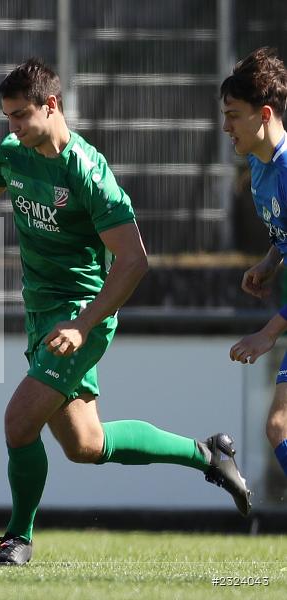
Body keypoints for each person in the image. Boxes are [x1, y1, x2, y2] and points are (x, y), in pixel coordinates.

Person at [0, 58, 251, 566]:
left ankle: (17, 538)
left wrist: (83, 323)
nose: (13, 127)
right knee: (86, 445)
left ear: (52, 105)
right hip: (42, 316)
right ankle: (208, 454)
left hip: (80, 317)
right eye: (7, 117)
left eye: (21, 115)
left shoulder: (90, 173)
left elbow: (134, 261)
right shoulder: (14, 152)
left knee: (18, 422)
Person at [222, 47, 287, 481]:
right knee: (279, 426)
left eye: (233, 115)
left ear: (264, 114)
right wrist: (269, 262)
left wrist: (268, 332)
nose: (225, 127)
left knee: (279, 425)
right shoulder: (256, 164)